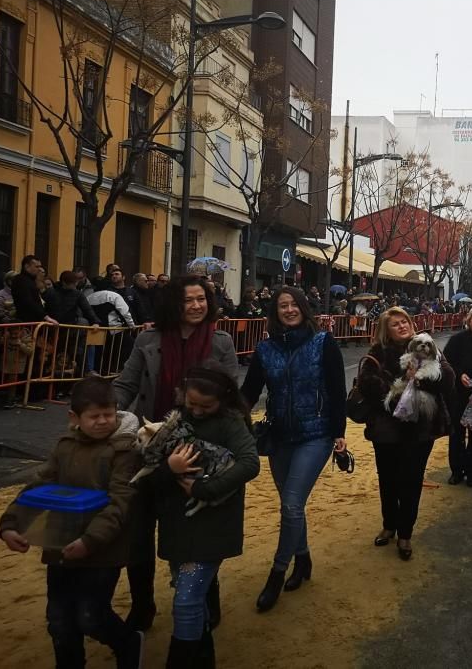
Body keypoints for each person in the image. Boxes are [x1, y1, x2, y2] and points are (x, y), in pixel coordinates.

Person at [113, 276, 237, 632]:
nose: (197, 306)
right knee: (139, 531)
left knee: (192, 533)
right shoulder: (149, 339)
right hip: (149, 446)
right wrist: (105, 413)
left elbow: (229, 394)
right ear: (173, 304)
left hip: (195, 450)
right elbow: (126, 385)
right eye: (188, 300)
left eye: (201, 299)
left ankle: (204, 597)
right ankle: (142, 605)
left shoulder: (220, 341)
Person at [0, 377, 144, 668]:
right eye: (94, 416)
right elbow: (38, 486)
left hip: (103, 550)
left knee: (91, 615)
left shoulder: (124, 452)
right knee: (59, 620)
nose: (103, 421)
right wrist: (9, 524)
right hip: (60, 544)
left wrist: (91, 540)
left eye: (109, 414)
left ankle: (128, 642)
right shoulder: (65, 446)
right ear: (74, 418)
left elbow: (121, 502)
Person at [241, 287, 347, 612]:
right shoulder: (265, 349)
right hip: (279, 437)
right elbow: (248, 393)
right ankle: (303, 560)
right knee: (291, 506)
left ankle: (277, 572)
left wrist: (339, 433)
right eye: (282, 305)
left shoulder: (323, 342)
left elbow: (337, 389)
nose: (288, 310)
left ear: (304, 308)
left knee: (290, 503)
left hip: (316, 434)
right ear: (275, 312)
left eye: (293, 304)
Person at [157, 364, 259, 667]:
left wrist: (206, 488)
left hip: (213, 523)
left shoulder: (230, 422)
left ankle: (180, 660)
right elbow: (149, 465)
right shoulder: (175, 420)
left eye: (206, 406)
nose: (198, 411)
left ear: (223, 400)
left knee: (186, 600)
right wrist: (169, 469)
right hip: (177, 520)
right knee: (189, 596)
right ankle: (203, 657)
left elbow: (250, 463)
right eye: (192, 404)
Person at [356, 307, 454, 560]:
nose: (402, 326)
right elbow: (368, 385)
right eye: (395, 324)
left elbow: (448, 379)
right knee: (388, 480)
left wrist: (419, 381)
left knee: (411, 481)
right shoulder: (377, 354)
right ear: (385, 330)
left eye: (405, 321)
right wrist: (400, 390)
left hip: (419, 430)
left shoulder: (430, 347)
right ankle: (389, 524)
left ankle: (405, 533)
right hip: (387, 430)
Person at [443, 305, 472, 487]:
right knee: (457, 432)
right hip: (459, 392)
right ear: (468, 320)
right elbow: (446, 362)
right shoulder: (457, 339)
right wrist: (459, 373)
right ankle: (456, 470)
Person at [13, 255, 58, 324]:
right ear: (27, 266)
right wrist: (45, 317)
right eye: (37, 267)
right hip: (27, 321)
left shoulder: (30, 281)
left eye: (40, 266)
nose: (39, 269)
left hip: (35, 320)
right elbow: (28, 301)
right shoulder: (21, 281)